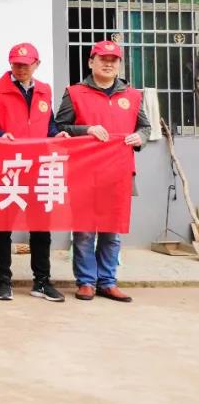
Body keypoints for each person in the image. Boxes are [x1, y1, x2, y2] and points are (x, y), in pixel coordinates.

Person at [55, 39, 150, 303]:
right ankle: (86, 281)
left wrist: (140, 137)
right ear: (91, 62)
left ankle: (108, 281)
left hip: (119, 173)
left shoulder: (132, 95)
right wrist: (86, 129)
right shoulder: (74, 93)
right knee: (84, 230)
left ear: (119, 64)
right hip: (84, 173)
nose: (108, 64)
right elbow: (59, 126)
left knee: (112, 230)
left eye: (113, 60)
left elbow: (145, 127)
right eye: (103, 59)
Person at [0, 42, 69, 302]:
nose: (21, 69)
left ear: (37, 65)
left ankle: (42, 281)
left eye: (26, 65)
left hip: (38, 168)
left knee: (41, 228)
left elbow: (48, 124)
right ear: (10, 64)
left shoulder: (44, 90)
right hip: (6, 169)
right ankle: (3, 282)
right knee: (2, 227)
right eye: (17, 64)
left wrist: (56, 134)